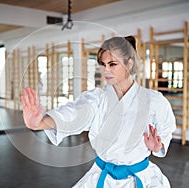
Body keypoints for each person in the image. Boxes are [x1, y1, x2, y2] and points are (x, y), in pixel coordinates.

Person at [21, 36, 176, 188]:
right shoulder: (97, 99)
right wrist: (40, 123)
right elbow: (74, 113)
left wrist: (158, 146)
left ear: (129, 63)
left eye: (112, 64)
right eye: (103, 64)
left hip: (142, 177)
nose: (106, 70)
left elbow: (166, 129)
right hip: (102, 176)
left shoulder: (154, 100)